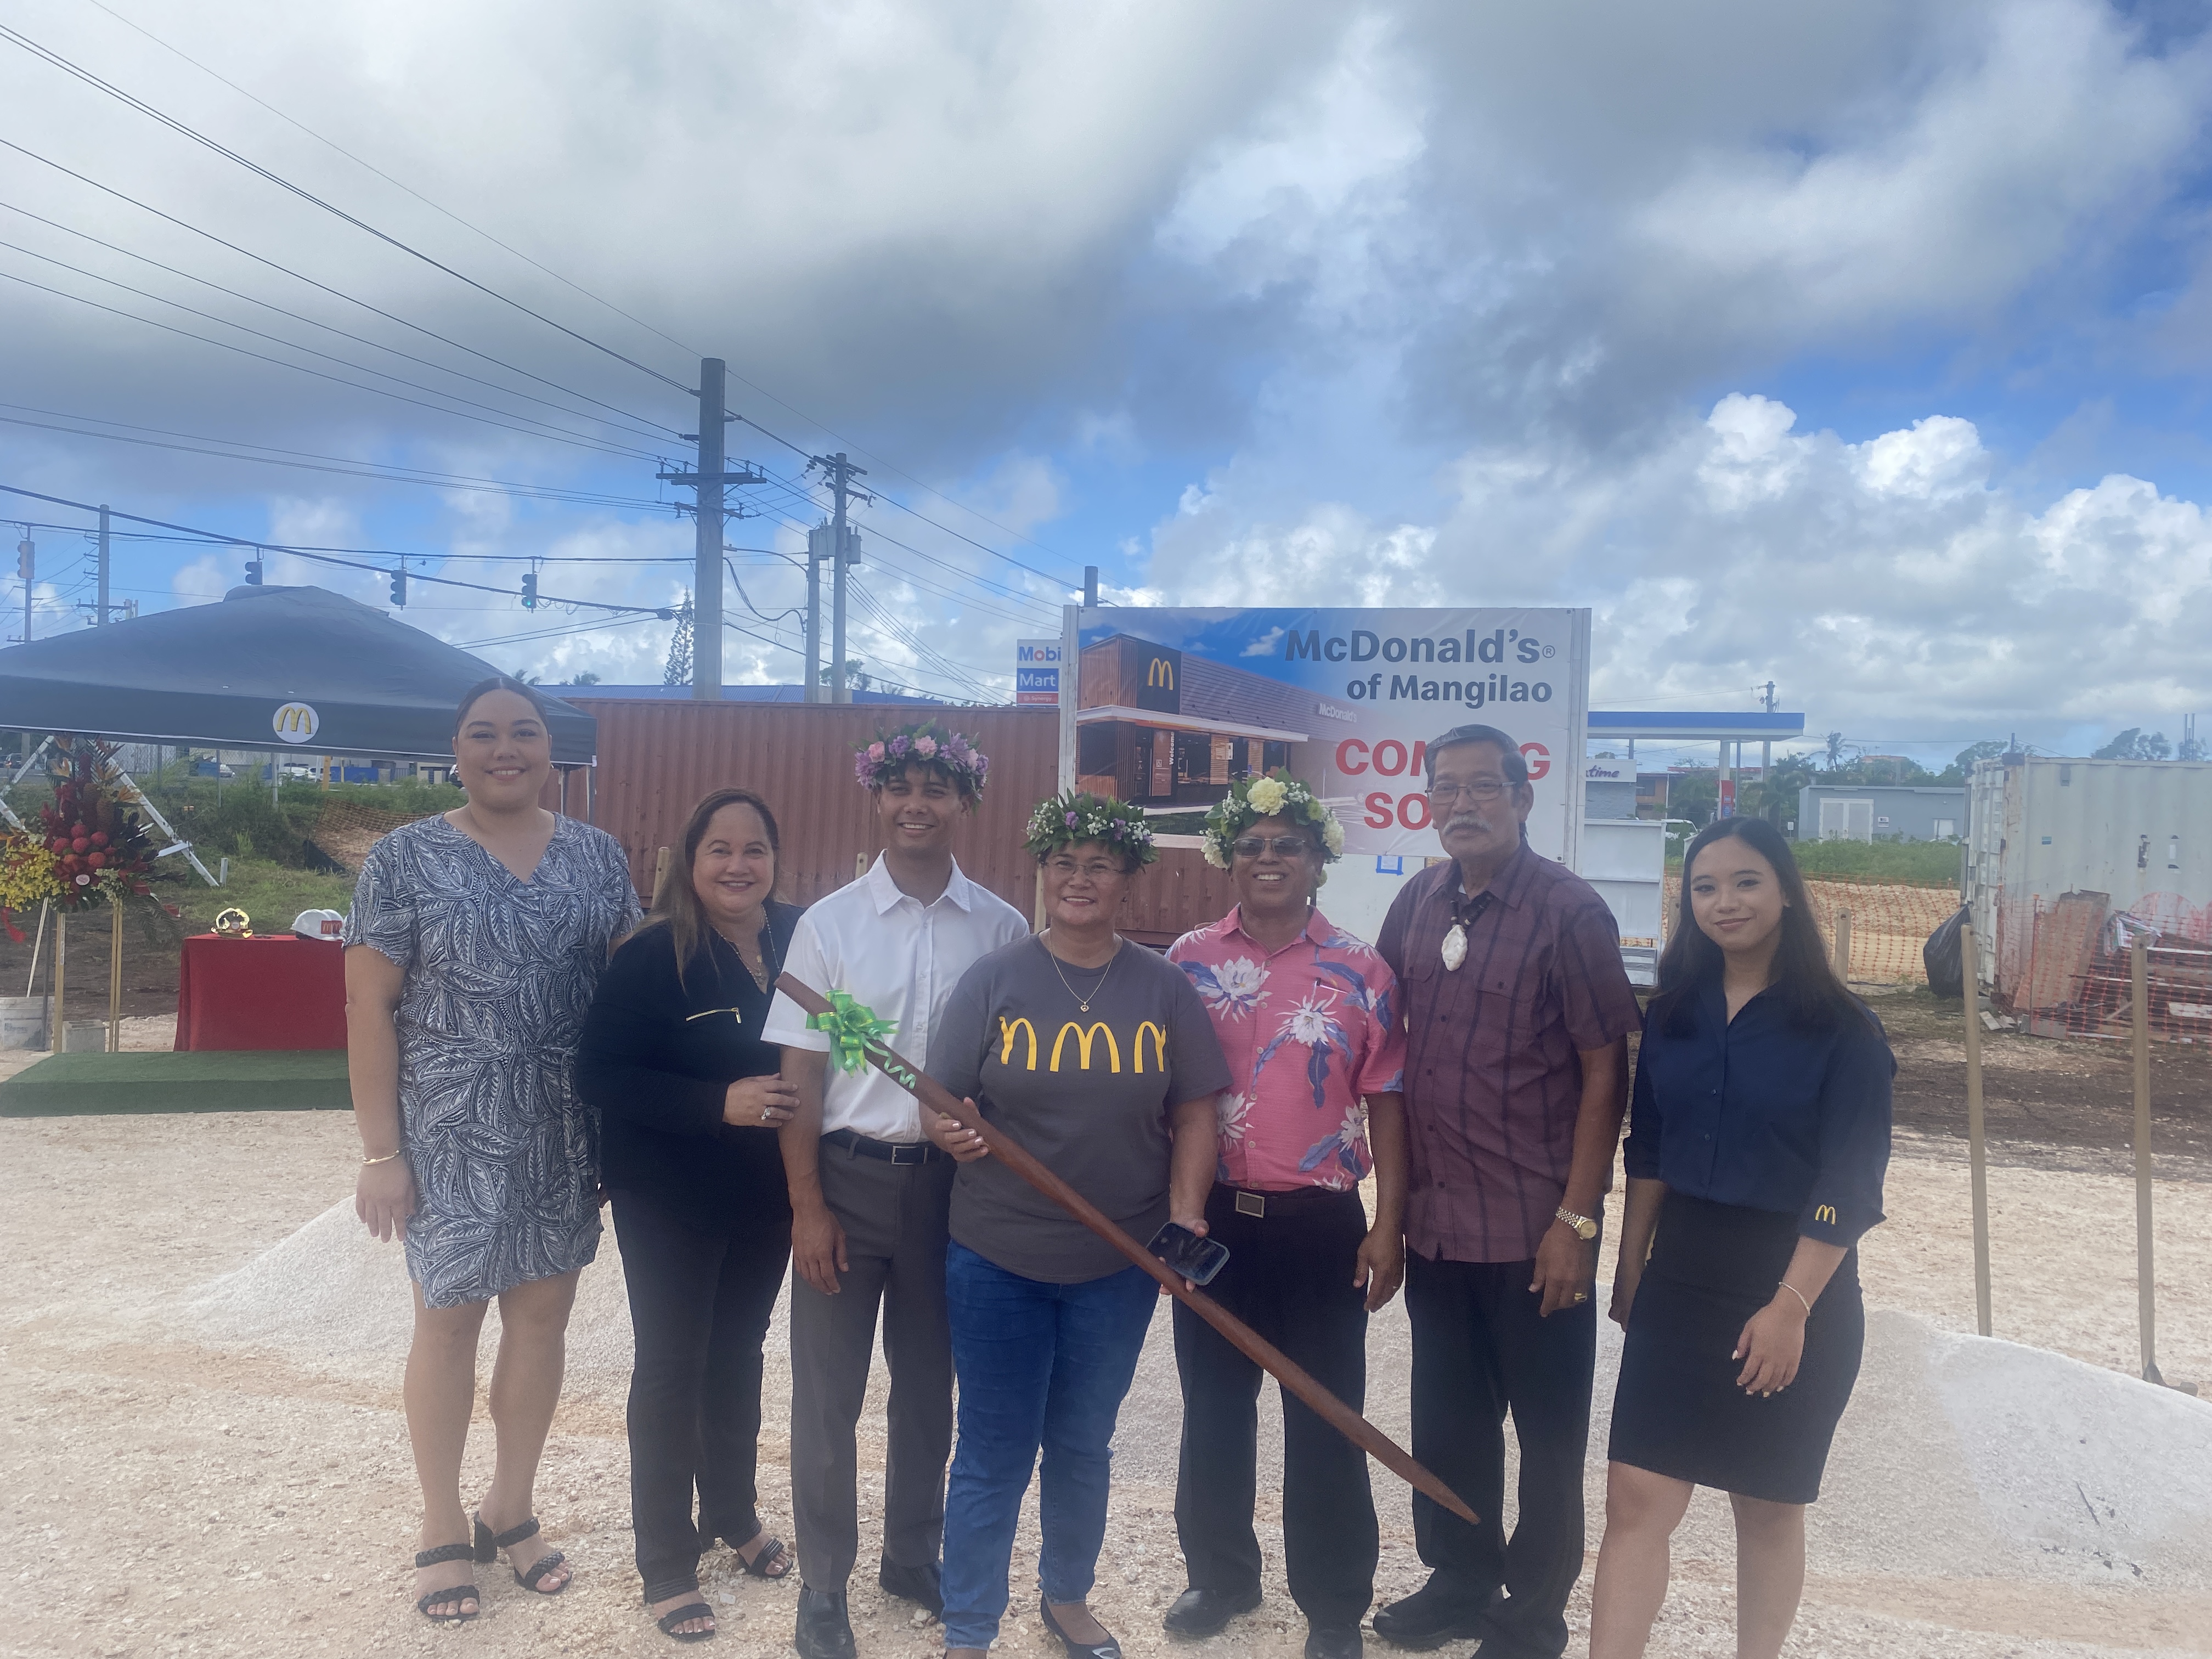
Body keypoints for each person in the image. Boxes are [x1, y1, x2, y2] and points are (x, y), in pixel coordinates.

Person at [346, 675, 641, 1623]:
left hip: (564, 1129)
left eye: (522, 732)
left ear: (550, 749)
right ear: (457, 750)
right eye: (483, 734)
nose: (503, 748)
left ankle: (509, 1506)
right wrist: (379, 1152)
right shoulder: (404, 859)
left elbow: (631, 994)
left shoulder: (598, 858)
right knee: (447, 1324)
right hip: (451, 1131)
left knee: (544, 1320)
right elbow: (367, 1010)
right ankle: (441, 1523)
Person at [920, 790, 1232, 1659]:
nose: (1079, 879)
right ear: (1043, 873)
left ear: (1129, 880)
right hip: (995, 1255)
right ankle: (970, 1624)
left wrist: (1184, 1218)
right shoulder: (996, 980)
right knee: (992, 1447)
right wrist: (941, 1127)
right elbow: (937, 1098)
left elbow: (1197, 1111)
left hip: (1117, 1262)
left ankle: (1066, 1599)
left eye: (1099, 865)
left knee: (1083, 1442)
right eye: (1064, 864)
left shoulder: (1163, 987)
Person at [1588, 817, 1893, 1659]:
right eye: (1706, 886)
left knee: (1764, 1506)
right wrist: (1632, 1264)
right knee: (1636, 1499)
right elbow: (1646, 1149)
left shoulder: (1845, 1031)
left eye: (1747, 881)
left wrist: (1790, 1308)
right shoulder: (1675, 1015)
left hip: (1796, 1285)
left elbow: (1850, 1187)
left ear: (1787, 890)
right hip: (1681, 1278)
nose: (1726, 902)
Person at [1370, 723, 1640, 1659]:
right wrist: (1391, 1221)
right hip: (1442, 1232)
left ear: (1523, 800)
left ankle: (1533, 1617)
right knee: (1448, 1425)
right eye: (1446, 788)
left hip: (1538, 1237)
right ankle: (1457, 1579)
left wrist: (1578, 1217)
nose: (1462, 805)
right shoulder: (1414, 905)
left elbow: (1607, 1073)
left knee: (1549, 1440)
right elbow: (1391, 1066)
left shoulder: (1570, 913)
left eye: (1483, 787)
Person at [761, 723, 1030, 1659]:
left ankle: (910, 1557)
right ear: (877, 798)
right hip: (846, 1178)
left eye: (937, 788)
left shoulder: (1002, 928)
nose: (918, 804)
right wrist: (807, 1205)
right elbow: (800, 1078)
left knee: (929, 1394)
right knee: (828, 1400)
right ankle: (823, 1590)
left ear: (965, 802)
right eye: (900, 787)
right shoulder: (828, 925)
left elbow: (1012, 1076)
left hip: (954, 1198)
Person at [1161, 771, 1408, 1659]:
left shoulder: (1362, 969)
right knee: (1215, 1409)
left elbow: (1387, 1099)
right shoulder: (1185, 961)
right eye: (1254, 844)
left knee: (1327, 1414)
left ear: (1316, 860)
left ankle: (1335, 1605)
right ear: (1233, 856)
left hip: (1321, 1225)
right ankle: (1221, 1576)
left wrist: (1389, 1223)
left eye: (1288, 844)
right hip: (1214, 1221)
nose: (1269, 858)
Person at [576, 788, 805, 1643]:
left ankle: (733, 1512)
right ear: (689, 860)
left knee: (738, 1356)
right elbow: (599, 1076)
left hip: (767, 1194)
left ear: (776, 860)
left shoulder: (799, 940)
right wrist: (719, 1103)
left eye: (755, 848)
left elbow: (842, 1039)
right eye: (720, 849)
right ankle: (665, 1559)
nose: (739, 865)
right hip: (669, 1193)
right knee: (673, 1366)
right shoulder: (651, 954)